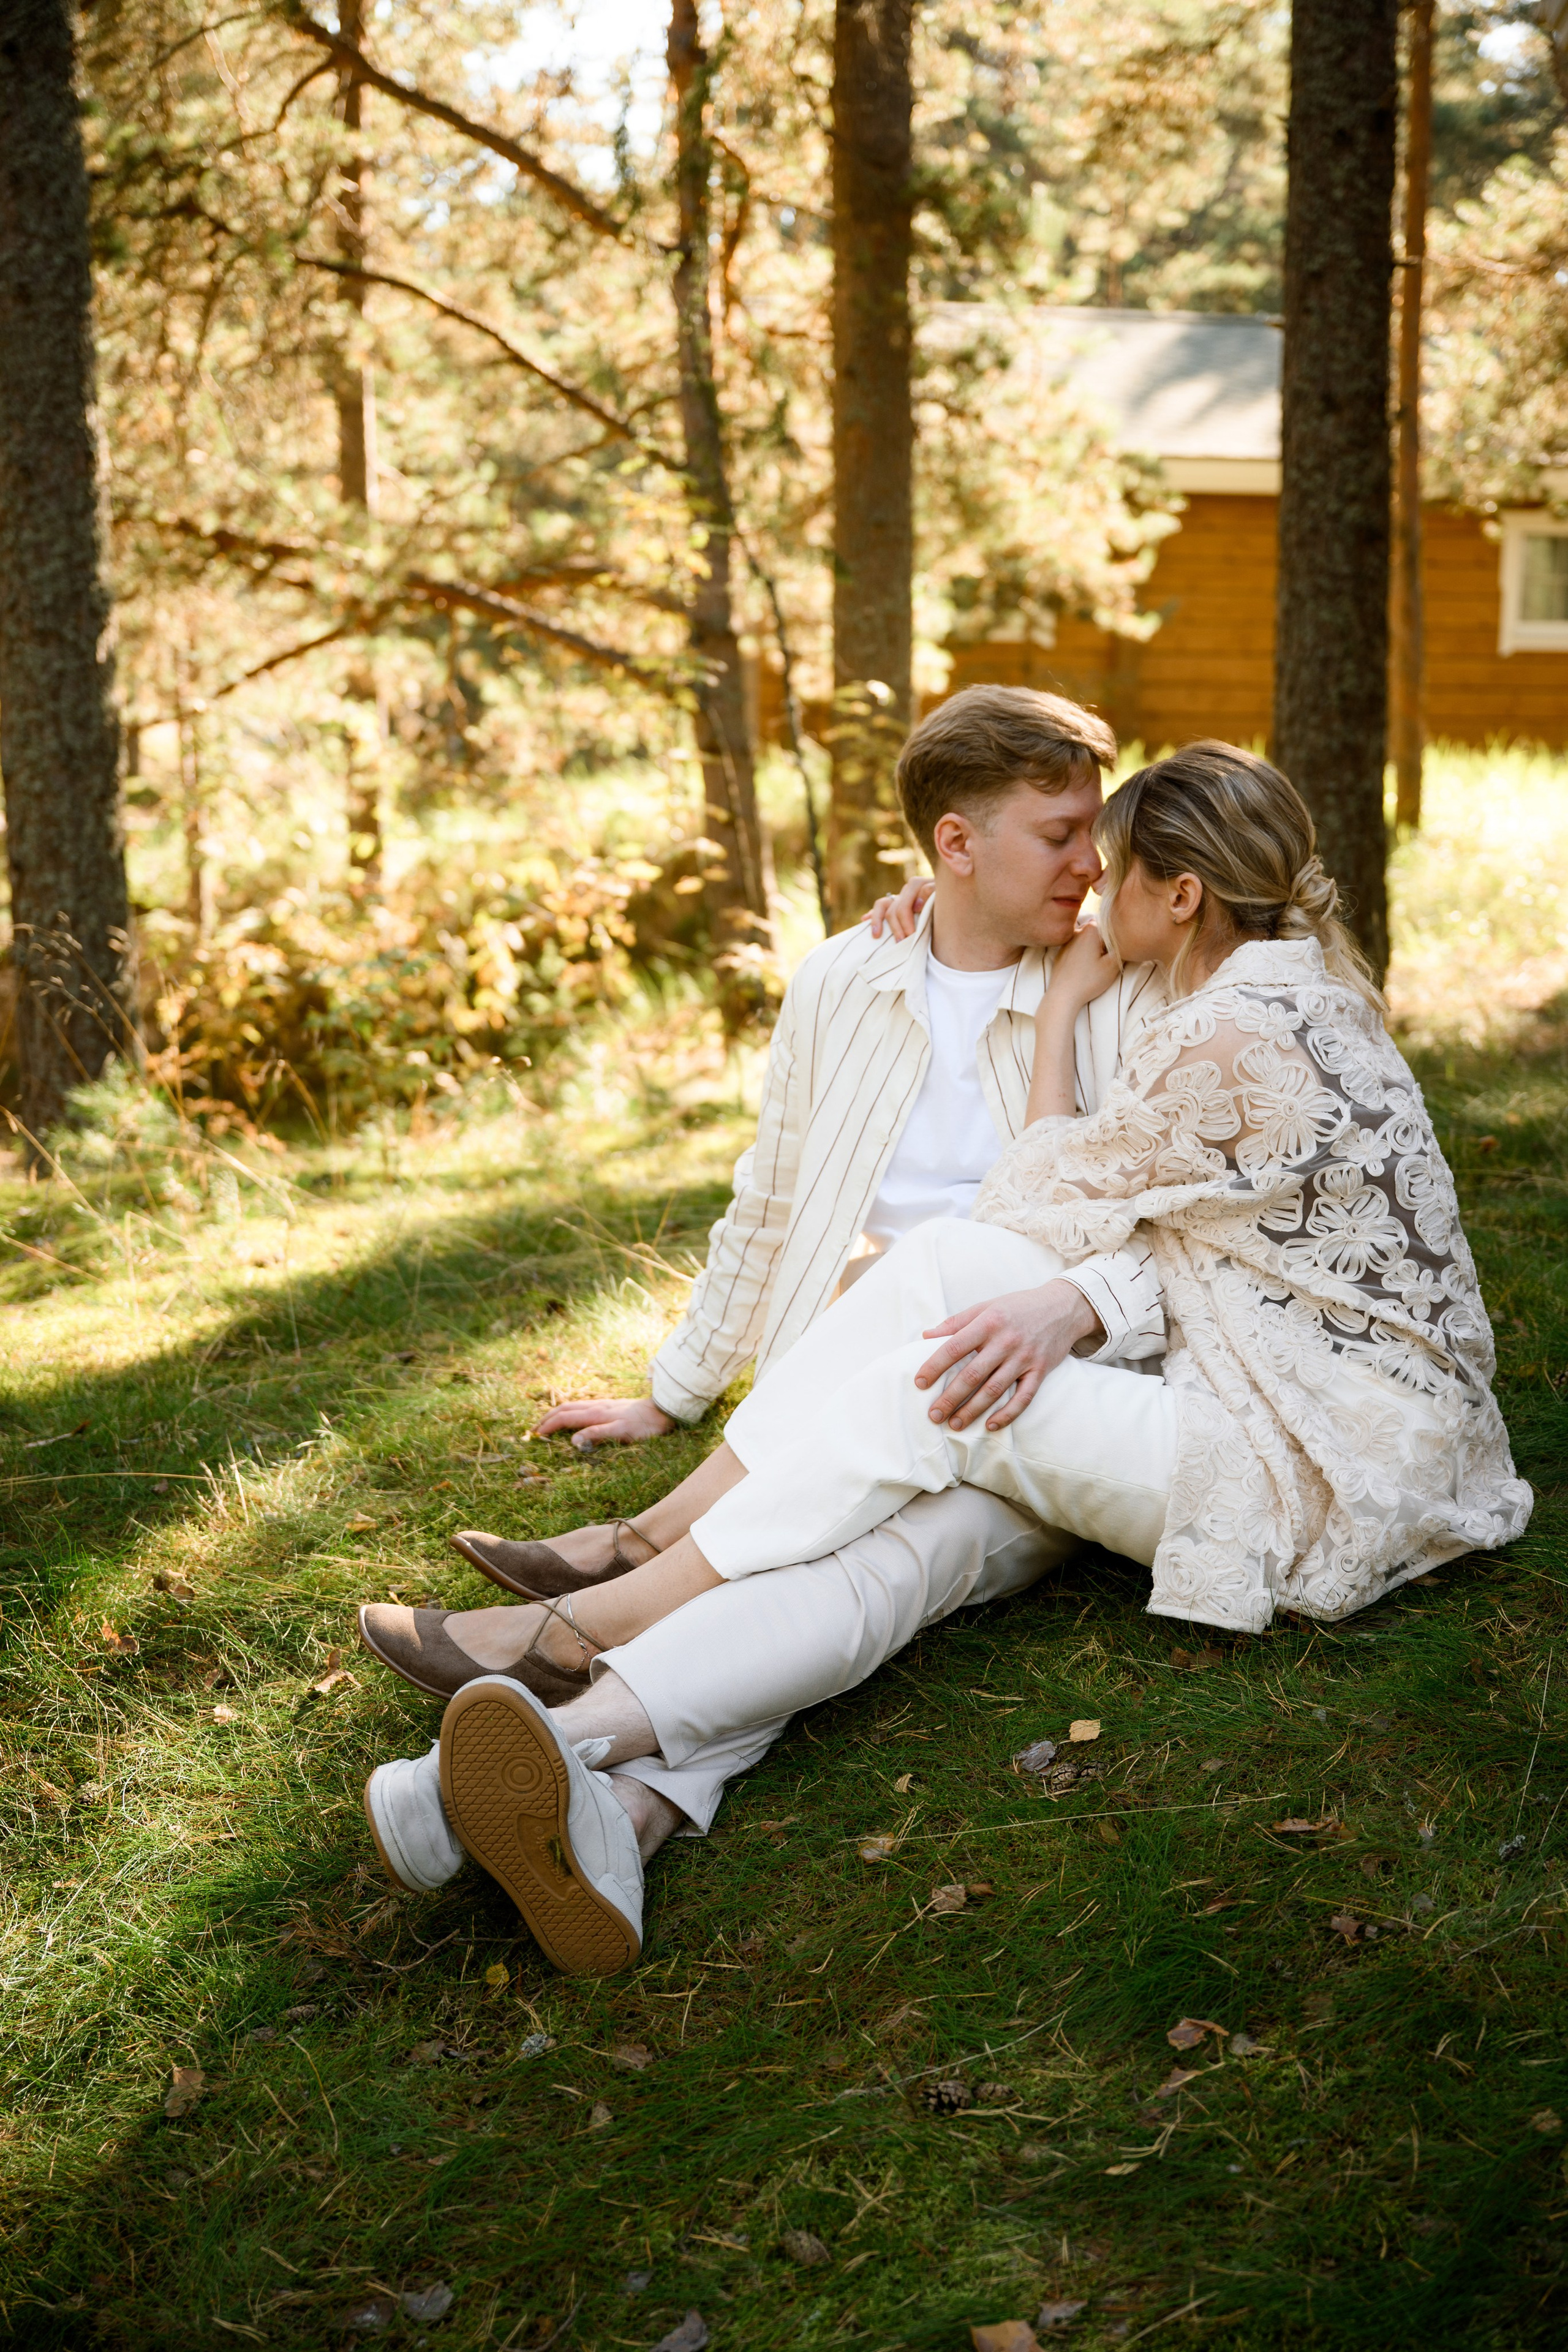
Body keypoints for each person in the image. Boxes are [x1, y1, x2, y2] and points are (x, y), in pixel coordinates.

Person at [360, 741, 1529, 1974]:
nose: (1091, 884)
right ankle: (596, 1800)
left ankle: (595, 1626)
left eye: (1116, 865)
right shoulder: (1277, 991)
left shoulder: (1224, 1023)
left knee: (938, 1391)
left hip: (1313, 1471)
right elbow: (1047, 1228)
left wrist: (1066, 1012)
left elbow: (1035, 1204)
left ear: (1179, 896)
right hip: (1271, 1396)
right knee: (925, 1356)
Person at [359, 685, 1170, 1860]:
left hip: (1024, 1377)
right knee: (835, 1548)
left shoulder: (1115, 989)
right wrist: (677, 1388)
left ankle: (572, 1659)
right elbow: (772, 1197)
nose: (1090, 869)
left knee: (880, 1561)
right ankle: (627, 1818)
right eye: (1058, 837)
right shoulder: (847, 978)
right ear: (955, 843)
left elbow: (1160, 1219)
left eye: (1093, 836)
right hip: (847, 1368)